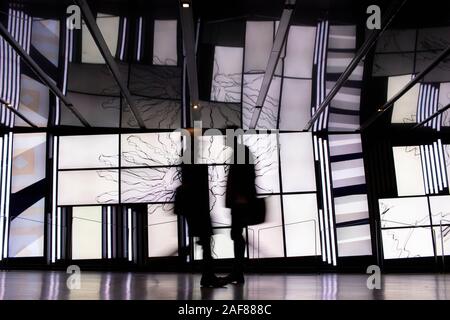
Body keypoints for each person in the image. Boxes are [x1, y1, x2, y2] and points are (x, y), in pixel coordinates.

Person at [175, 130, 226, 288]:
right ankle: (208, 276)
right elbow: (195, 184)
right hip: (198, 207)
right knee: (205, 241)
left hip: (194, 207)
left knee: (205, 242)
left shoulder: (187, 157)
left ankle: (208, 275)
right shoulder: (191, 158)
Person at [224, 129, 257, 285]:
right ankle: (238, 271)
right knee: (236, 234)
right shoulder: (242, 151)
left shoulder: (240, 152)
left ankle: (237, 271)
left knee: (236, 234)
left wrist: (239, 197)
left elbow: (243, 178)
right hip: (241, 201)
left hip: (240, 202)